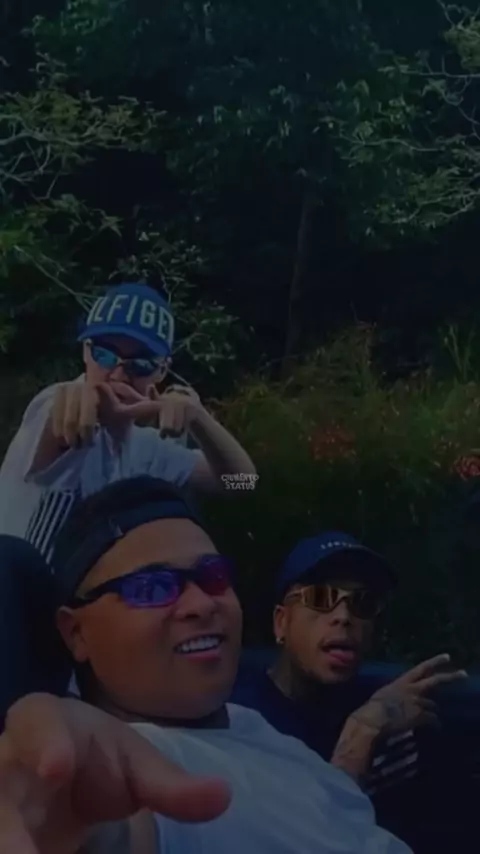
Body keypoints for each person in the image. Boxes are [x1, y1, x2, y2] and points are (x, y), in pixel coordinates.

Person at [0, 476, 413, 854]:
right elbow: (106, 819)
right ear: (76, 633)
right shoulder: (139, 771)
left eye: (214, 576)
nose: (201, 603)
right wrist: (57, 795)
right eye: (152, 587)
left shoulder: (250, 727)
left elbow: (246, 478)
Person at [231, 532, 469, 850]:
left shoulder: (400, 709)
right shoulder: (239, 725)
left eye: (362, 603)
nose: (344, 617)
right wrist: (361, 735)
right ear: (281, 622)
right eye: (319, 597)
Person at [0, 282, 256, 560]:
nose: (118, 374)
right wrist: (81, 406)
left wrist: (200, 419)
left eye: (140, 364)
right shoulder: (52, 404)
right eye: (105, 355)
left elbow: (241, 483)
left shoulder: (150, 449)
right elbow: (60, 420)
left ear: (162, 371)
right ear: (86, 352)